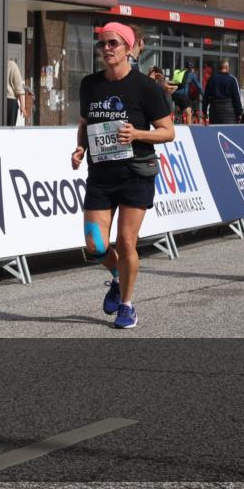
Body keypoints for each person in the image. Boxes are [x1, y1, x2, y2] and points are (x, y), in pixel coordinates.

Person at [71, 22, 175, 329]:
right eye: (102, 44)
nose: (106, 49)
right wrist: (79, 148)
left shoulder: (146, 87)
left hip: (135, 173)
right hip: (101, 175)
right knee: (95, 244)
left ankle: (127, 306)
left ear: (128, 48)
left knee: (126, 242)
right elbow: (85, 123)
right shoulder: (90, 84)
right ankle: (117, 276)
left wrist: (138, 134)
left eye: (113, 43)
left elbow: (168, 132)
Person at [202, 60, 242, 125]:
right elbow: (236, 98)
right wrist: (239, 113)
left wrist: (204, 112)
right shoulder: (232, 80)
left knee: (215, 133)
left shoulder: (212, 79)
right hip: (229, 114)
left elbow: (206, 97)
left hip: (215, 113)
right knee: (228, 134)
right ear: (226, 67)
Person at [5, 57, 27, 125]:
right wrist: (22, 107)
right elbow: (19, 87)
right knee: (10, 130)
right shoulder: (12, 65)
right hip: (10, 102)